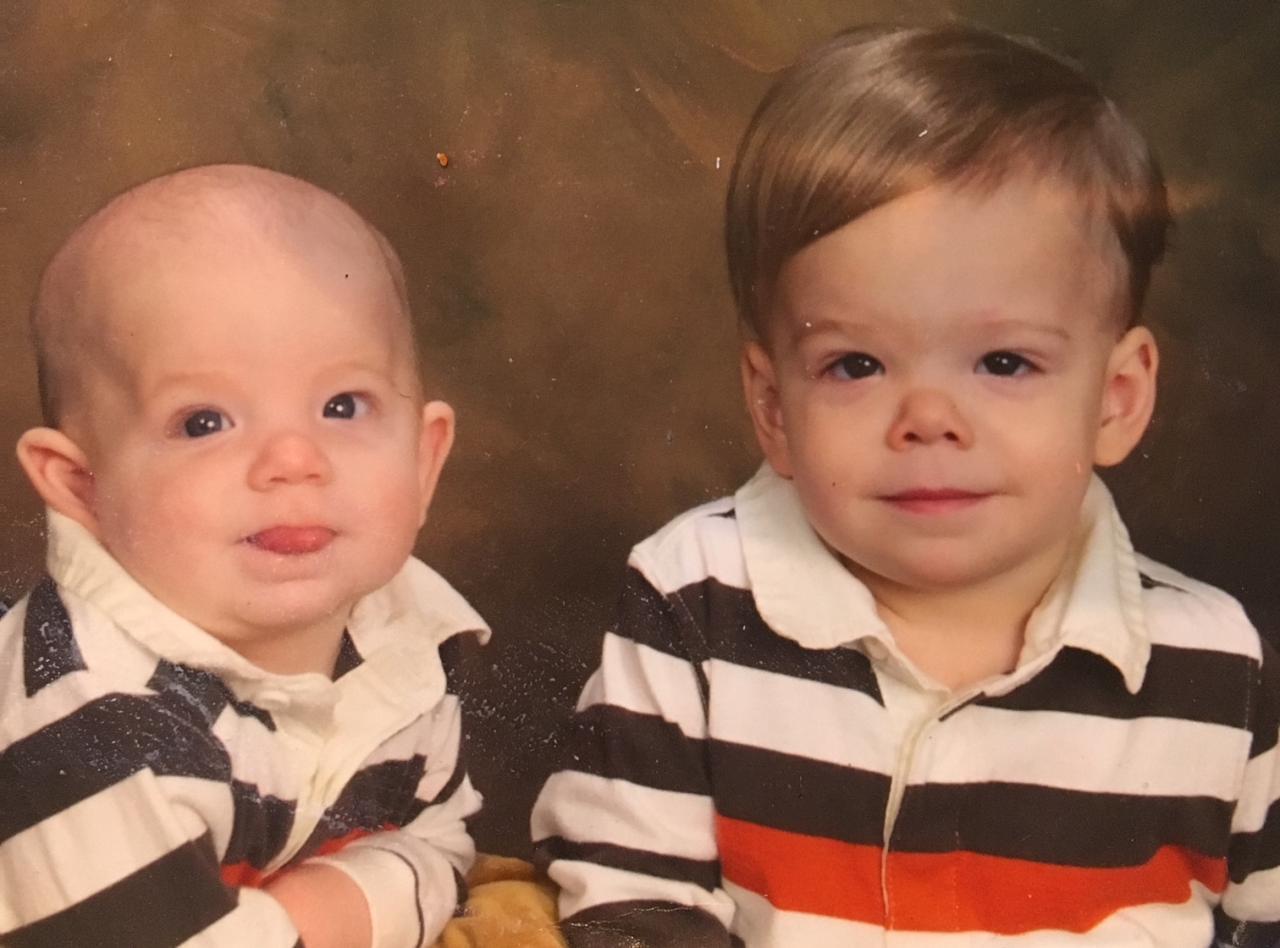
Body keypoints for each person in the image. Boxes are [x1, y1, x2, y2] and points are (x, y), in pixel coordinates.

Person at [531, 24, 1280, 947]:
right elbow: (631, 897)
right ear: (772, 406)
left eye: (1004, 362)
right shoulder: (696, 599)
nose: (928, 418)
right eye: (856, 365)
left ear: (1116, 400)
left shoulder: (1217, 668)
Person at [0, 164, 487, 948]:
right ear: (82, 487)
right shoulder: (91, 717)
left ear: (425, 461)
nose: (293, 460)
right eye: (204, 422)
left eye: (342, 406)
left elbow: (443, 843)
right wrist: (335, 916)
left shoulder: (407, 644)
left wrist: (331, 906)